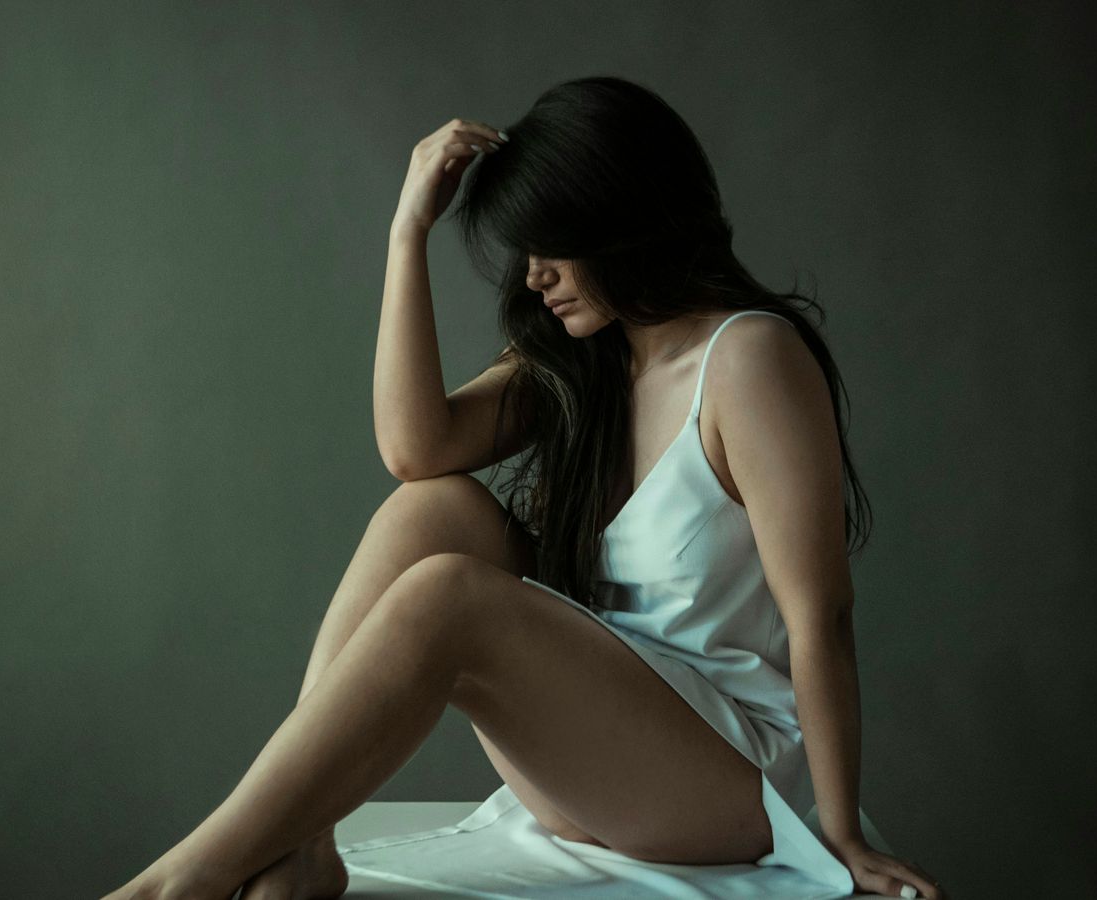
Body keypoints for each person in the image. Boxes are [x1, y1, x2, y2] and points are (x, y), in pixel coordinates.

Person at [102, 76, 946, 900]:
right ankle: (304, 842)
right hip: (603, 760)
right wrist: (406, 233)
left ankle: (182, 881)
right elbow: (415, 449)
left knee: (450, 597)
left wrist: (841, 833)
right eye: (527, 252)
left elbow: (821, 614)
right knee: (434, 509)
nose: (535, 276)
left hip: (732, 777)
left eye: (554, 246)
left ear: (621, 215)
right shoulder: (587, 363)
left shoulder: (748, 359)